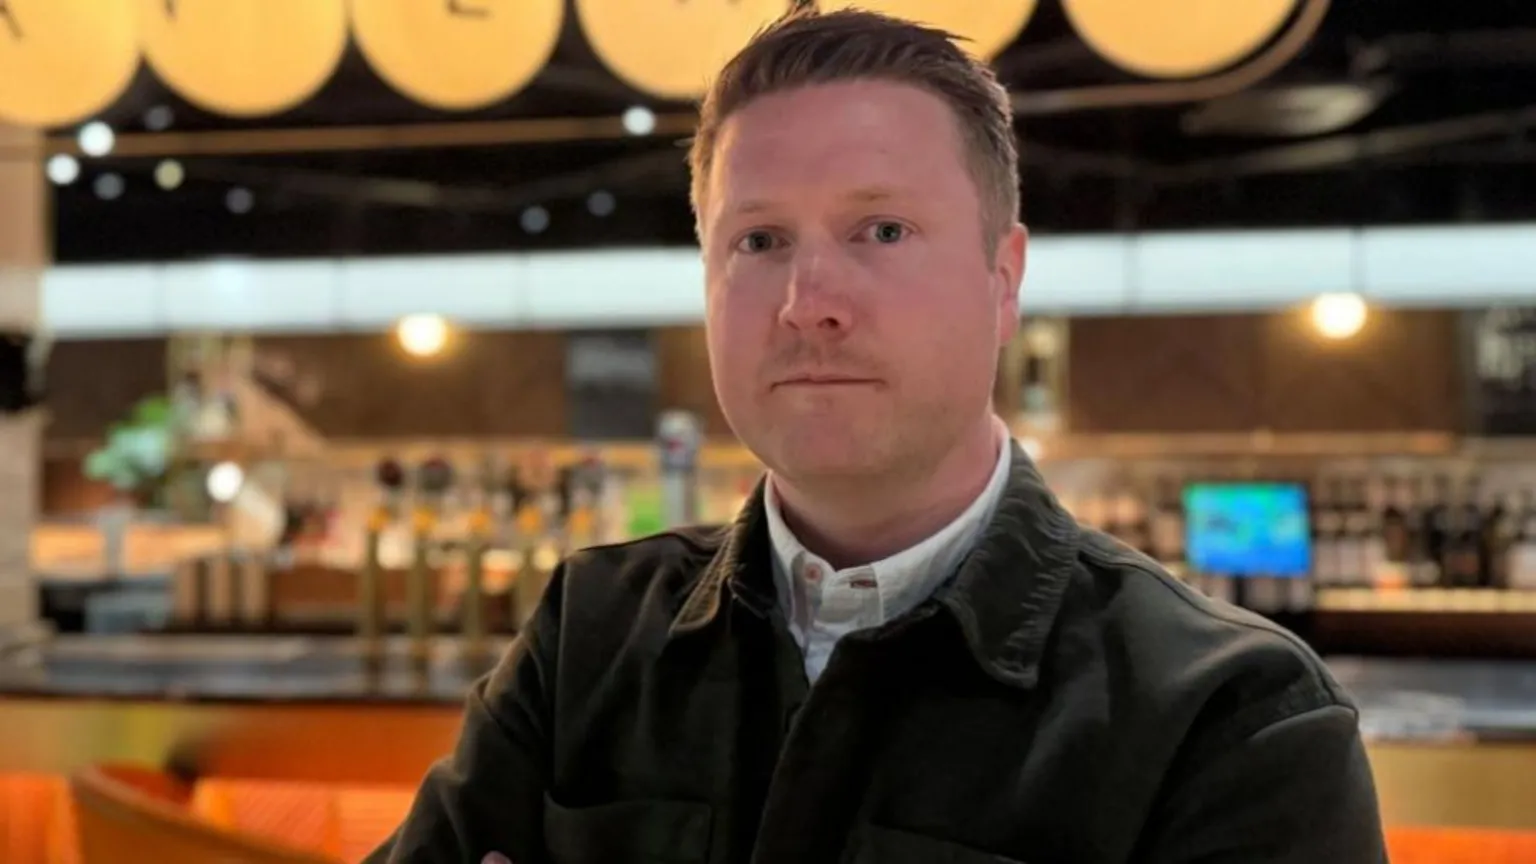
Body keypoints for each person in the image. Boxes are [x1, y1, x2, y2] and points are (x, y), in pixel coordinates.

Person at [367, 8, 1386, 863]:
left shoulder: (1233, 720)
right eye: (758, 240)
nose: (809, 303)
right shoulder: (589, 636)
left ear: (1005, 277)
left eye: (882, 230)